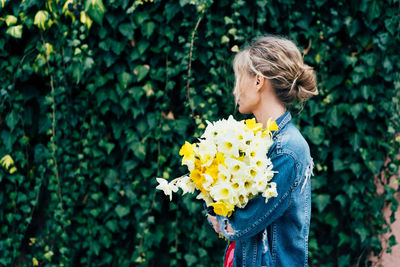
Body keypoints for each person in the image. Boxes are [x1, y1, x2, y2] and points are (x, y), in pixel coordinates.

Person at [206, 34, 319, 267]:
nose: (235, 90)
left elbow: (240, 224)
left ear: (258, 81)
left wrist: (218, 214)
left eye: (239, 79)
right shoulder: (252, 140)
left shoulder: (287, 149)